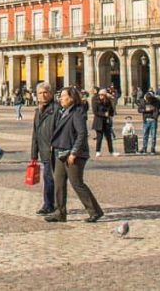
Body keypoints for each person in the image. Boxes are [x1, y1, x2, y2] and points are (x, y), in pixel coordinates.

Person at [45, 87, 104, 223]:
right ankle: (60, 212)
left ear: (71, 98)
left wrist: (74, 152)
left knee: (77, 183)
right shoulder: (63, 112)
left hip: (73, 154)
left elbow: (82, 133)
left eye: (63, 96)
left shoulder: (77, 112)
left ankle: (95, 211)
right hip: (60, 152)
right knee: (59, 183)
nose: (60, 98)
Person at [30, 83, 58, 215]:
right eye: (40, 93)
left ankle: (52, 204)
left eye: (45, 92)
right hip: (44, 151)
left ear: (51, 94)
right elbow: (35, 134)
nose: (43, 95)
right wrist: (34, 154)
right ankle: (49, 204)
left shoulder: (56, 110)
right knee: (48, 178)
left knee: (55, 179)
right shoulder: (38, 111)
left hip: (55, 151)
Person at [91, 90, 117, 157]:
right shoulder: (96, 101)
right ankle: (98, 151)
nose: (101, 96)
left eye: (103, 95)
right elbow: (95, 111)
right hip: (98, 121)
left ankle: (111, 151)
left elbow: (111, 111)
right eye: (100, 95)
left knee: (109, 137)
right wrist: (104, 114)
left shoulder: (108, 101)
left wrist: (112, 101)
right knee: (99, 138)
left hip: (106, 122)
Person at [138, 88, 160, 155]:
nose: (148, 101)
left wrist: (156, 115)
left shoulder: (156, 101)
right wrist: (145, 110)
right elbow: (139, 109)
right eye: (147, 100)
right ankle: (144, 148)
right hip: (146, 120)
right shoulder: (143, 101)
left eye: (149, 100)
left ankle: (152, 149)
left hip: (153, 120)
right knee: (145, 135)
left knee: (153, 135)